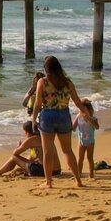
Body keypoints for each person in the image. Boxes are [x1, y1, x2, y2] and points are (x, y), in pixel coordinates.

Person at [30, 55, 91, 188]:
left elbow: (37, 103)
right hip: (64, 115)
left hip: (47, 115)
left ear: (46, 69)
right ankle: (78, 180)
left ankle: (48, 182)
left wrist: (33, 119)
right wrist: (85, 113)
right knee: (67, 150)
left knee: (48, 151)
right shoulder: (67, 82)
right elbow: (76, 100)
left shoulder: (43, 82)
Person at [75, 100, 101, 179]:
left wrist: (89, 119)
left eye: (84, 109)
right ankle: (78, 174)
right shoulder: (78, 117)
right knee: (80, 158)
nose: (82, 111)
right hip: (81, 141)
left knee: (90, 158)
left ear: (89, 109)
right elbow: (73, 127)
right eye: (81, 109)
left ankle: (91, 174)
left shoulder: (93, 118)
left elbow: (97, 127)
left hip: (90, 142)